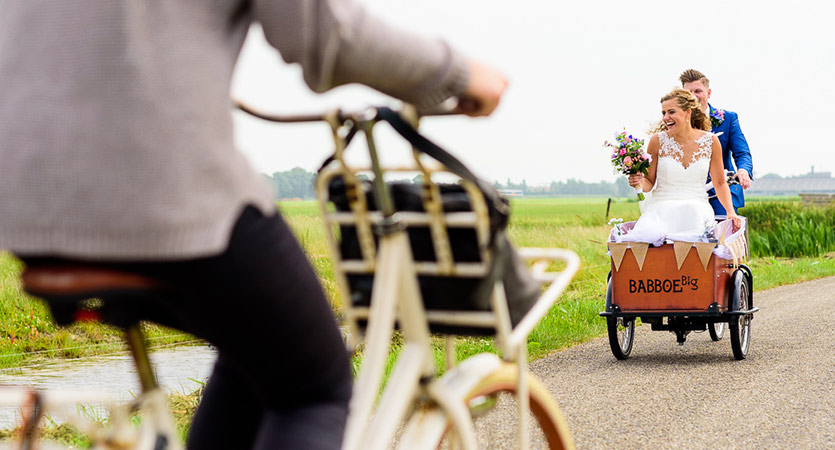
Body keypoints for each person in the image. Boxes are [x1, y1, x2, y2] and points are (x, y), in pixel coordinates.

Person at [0, 2, 507, 449]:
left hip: (21, 197)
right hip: (157, 193)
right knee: (313, 388)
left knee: (255, 349)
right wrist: (458, 72)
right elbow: (326, 33)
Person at [623, 89, 741, 246]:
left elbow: (719, 183)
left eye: (671, 112)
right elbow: (649, 183)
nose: (666, 117)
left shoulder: (711, 141)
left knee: (692, 210)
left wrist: (730, 212)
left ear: (687, 112)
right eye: (664, 113)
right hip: (661, 207)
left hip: (697, 206)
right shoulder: (657, 141)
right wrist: (638, 181)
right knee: (666, 216)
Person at [680, 69, 753, 215]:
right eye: (689, 93)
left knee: (723, 236)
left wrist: (743, 170)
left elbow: (742, 152)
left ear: (708, 93)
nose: (693, 96)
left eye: (698, 91)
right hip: (687, 195)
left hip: (721, 194)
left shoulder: (728, 119)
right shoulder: (677, 121)